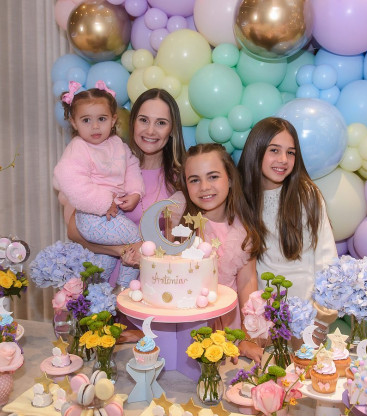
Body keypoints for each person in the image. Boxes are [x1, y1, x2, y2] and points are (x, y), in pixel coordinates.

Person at [62, 87, 187, 275]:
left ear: (172, 130)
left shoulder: (182, 180)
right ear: (133, 122)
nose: (150, 130)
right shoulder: (107, 165)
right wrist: (123, 250)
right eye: (143, 120)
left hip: (161, 281)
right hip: (111, 282)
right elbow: (74, 231)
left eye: (161, 123)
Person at [238, 117, 338, 345]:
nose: (283, 160)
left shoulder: (306, 194)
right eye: (274, 150)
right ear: (256, 150)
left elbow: (326, 256)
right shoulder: (243, 197)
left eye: (290, 153)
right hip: (263, 316)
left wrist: (321, 315)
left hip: (307, 314)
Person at [54, 81, 145, 288]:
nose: (95, 126)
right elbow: (69, 179)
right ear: (74, 123)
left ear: (113, 120)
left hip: (110, 215)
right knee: (136, 240)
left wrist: (135, 192)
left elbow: (131, 165)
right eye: (86, 120)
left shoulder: (117, 144)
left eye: (101, 119)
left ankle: (97, 290)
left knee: (106, 258)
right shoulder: (79, 147)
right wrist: (104, 202)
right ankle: (124, 289)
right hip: (91, 217)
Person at [178, 143, 263, 362]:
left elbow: (247, 283)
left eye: (213, 176)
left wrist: (247, 337)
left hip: (229, 325)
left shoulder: (244, 230)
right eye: (194, 180)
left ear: (230, 179)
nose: (204, 187)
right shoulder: (179, 227)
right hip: (187, 326)